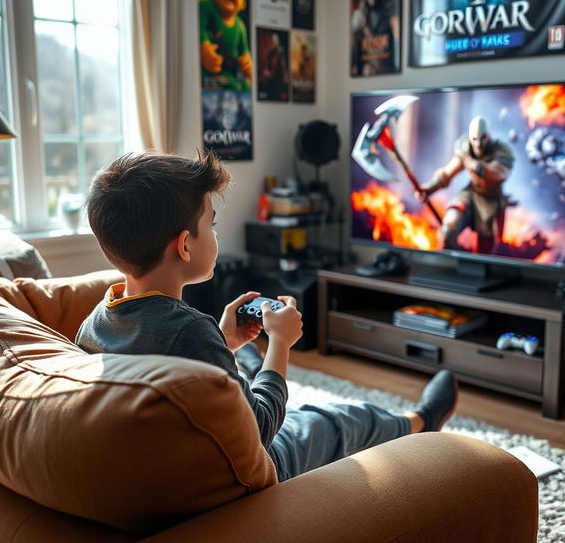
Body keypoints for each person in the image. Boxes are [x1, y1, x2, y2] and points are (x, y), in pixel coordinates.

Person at [77, 151, 458, 482]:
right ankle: (421, 421)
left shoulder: (95, 321)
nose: (214, 232)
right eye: (211, 224)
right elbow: (261, 431)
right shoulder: (191, 332)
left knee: (254, 371)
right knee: (335, 419)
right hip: (259, 467)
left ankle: (244, 359)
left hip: (177, 459)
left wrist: (221, 343)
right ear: (185, 245)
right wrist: (280, 344)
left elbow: (162, 368)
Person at [419, 116, 515, 254]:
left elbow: (501, 173)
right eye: (475, 139)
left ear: (489, 136)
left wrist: (480, 167)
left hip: (490, 200)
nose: (478, 144)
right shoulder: (466, 149)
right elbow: (448, 172)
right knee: (448, 228)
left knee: (484, 250)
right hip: (470, 194)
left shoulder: (500, 150)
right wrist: (429, 188)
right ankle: (449, 264)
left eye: (483, 139)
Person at [199, 0, 252, 91]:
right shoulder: (206, 5)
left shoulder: (240, 26)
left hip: (233, 74)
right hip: (213, 74)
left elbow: (243, 52)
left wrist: (247, 64)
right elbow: (200, 31)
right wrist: (204, 48)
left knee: (245, 87)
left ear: (243, 4)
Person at [351, 0, 400, 77]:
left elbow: (399, 38)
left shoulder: (392, 6)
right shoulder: (359, 14)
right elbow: (354, 47)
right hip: (367, 71)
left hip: (389, 71)